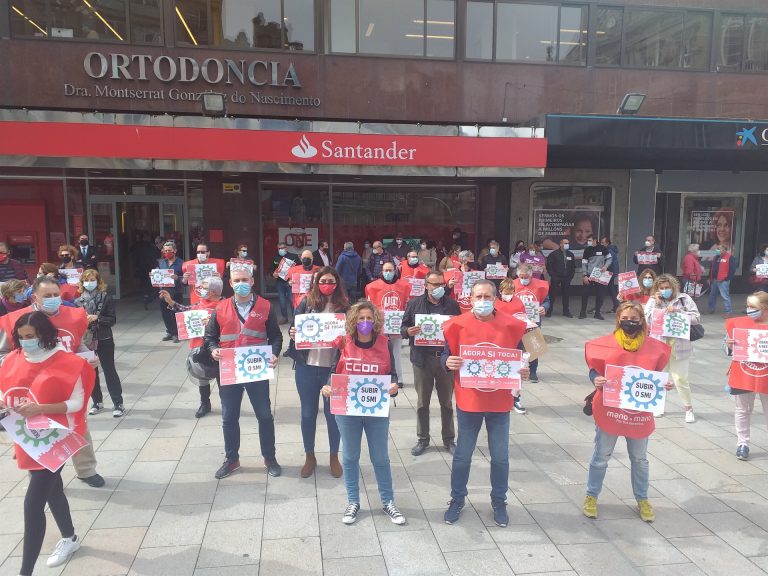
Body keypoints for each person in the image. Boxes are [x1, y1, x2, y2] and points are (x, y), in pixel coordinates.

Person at [0, 312, 96, 575]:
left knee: (33, 504)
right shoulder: (12, 359)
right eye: (21, 337)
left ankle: (25, 572)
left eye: (30, 336)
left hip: (55, 438)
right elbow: (3, 390)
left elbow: (77, 402)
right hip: (25, 437)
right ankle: (70, 538)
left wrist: (41, 407)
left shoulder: (69, 362)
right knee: (53, 490)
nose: (25, 341)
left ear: (44, 333)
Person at [0, 276, 105, 488]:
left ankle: (86, 470)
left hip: (67, 383)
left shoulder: (74, 316)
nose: (53, 299)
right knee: (34, 429)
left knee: (78, 425)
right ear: (35, 297)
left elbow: (78, 345)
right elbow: (4, 352)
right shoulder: (19, 319)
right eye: (47, 296)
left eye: (56, 295)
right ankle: (39, 475)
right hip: (32, 386)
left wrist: (89, 357)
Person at [442, 280, 530, 527]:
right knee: (462, 456)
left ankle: (499, 501)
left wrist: (524, 370)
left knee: (500, 457)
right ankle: (457, 499)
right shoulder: (456, 325)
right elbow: (445, 354)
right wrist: (447, 362)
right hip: (469, 402)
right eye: (478, 296)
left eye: (487, 296)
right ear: (470, 299)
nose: (483, 300)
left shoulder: (512, 325)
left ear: (496, 298)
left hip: (500, 403)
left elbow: (525, 355)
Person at [582, 302, 673, 522]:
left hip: (638, 412)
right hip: (610, 409)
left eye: (634, 318)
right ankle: (591, 496)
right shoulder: (606, 345)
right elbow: (594, 370)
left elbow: (655, 376)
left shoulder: (655, 348)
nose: (629, 322)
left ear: (641, 320)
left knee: (640, 459)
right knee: (601, 456)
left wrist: (664, 385)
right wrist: (596, 379)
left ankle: (642, 499)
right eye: (625, 318)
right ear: (618, 319)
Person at [321, 301, 404, 525]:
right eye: (361, 318)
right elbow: (333, 372)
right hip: (347, 409)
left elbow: (393, 375)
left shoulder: (385, 344)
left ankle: (388, 502)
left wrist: (394, 387)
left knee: (380, 457)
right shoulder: (343, 343)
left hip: (375, 409)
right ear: (353, 321)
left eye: (369, 318)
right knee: (349, 457)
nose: (365, 322)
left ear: (375, 321)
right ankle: (353, 501)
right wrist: (327, 386)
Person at [203, 267, 283, 479]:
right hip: (229, 371)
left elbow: (276, 336)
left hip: (256, 371)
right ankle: (232, 459)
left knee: (264, 415)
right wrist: (213, 350)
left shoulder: (266, 306)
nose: (241, 283)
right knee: (229, 417)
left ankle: (269, 457)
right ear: (230, 283)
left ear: (252, 280)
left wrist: (274, 353)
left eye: (244, 279)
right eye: (237, 280)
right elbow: (209, 337)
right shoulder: (220, 308)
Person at [287, 267, 349, 478]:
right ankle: (309, 455)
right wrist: (293, 332)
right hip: (307, 366)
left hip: (333, 369)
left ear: (337, 282)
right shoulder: (306, 302)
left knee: (333, 415)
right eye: (323, 281)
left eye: (331, 280)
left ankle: (334, 455)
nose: (327, 284)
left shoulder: (345, 306)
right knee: (307, 413)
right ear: (316, 283)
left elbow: (353, 333)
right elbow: (293, 327)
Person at [401, 271, 460, 457]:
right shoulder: (414, 304)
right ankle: (423, 439)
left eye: (441, 284)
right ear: (426, 285)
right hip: (422, 359)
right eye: (434, 284)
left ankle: (449, 439)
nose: (438, 288)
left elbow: (459, 329)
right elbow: (403, 327)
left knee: (447, 402)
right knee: (422, 403)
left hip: (444, 359)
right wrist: (408, 331)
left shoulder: (451, 304)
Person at [160, 276, 224, 418]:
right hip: (200, 347)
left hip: (219, 347)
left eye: (205, 287)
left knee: (222, 377)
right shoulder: (200, 304)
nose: (201, 289)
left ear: (213, 291)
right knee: (202, 375)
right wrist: (170, 302)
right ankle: (204, 403)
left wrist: (215, 322)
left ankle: (226, 404)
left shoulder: (225, 306)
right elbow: (187, 310)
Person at [644, 274, 700, 423]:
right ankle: (658, 406)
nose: (664, 290)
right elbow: (646, 319)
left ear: (673, 287)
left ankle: (688, 409)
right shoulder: (652, 301)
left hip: (680, 346)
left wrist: (679, 312)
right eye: (661, 288)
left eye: (667, 287)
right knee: (660, 377)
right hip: (659, 345)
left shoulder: (684, 299)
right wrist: (656, 304)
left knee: (680, 378)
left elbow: (696, 318)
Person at [724, 291, 768, 461]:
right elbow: (727, 348)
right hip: (744, 373)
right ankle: (742, 444)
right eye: (748, 306)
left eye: (753, 307)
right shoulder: (739, 324)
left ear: (764, 308)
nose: (749, 310)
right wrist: (728, 345)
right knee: (742, 409)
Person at [75, 269, 124, 418]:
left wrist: (97, 318)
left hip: (104, 338)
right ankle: (97, 402)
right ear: (82, 283)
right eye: (86, 280)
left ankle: (118, 403)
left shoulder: (106, 298)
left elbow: (112, 320)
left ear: (98, 281)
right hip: (87, 341)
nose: (89, 283)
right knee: (91, 372)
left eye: (92, 279)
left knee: (109, 370)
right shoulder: (78, 301)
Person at [365, 261, 410, 388]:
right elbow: (369, 306)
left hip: (397, 324)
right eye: (386, 270)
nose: (388, 273)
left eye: (390, 270)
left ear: (395, 270)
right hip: (380, 325)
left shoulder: (404, 286)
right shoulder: (372, 286)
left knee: (396, 352)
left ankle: (398, 379)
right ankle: (379, 375)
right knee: (378, 351)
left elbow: (407, 305)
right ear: (381, 271)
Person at [496, 278, 530, 415]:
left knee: (517, 370)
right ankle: (500, 397)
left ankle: (516, 398)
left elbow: (523, 318)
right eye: (506, 292)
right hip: (499, 341)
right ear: (500, 291)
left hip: (516, 341)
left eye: (511, 292)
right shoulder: (495, 303)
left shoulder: (518, 302)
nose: (509, 294)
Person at [514, 264, 550, 385]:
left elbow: (547, 301)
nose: (524, 279)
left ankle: (533, 371)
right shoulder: (512, 285)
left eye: (526, 277)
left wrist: (544, 307)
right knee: (517, 346)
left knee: (533, 347)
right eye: (521, 277)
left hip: (533, 321)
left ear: (531, 275)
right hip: (516, 321)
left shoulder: (540, 285)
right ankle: (517, 368)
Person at [154, 242, 183, 343]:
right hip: (163, 291)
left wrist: (178, 277)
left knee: (174, 313)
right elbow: (159, 274)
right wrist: (153, 276)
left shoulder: (181, 263)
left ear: (174, 251)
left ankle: (176, 333)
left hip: (176, 292)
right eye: (165, 251)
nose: (167, 253)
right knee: (165, 313)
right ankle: (170, 332)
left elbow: (186, 280)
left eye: (169, 251)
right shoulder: (162, 262)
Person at [580, 234, 612, 320]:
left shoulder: (603, 248)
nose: (588, 242)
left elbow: (609, 258)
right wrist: (584, 275)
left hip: (601, 275)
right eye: (588, 241)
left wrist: (606, 266)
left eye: (590, 240)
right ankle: (582, 312)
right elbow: (584, 263)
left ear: (595, 240)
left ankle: (597, 312)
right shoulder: (587, 250)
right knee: (585, 293)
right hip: (589, 275)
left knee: (600, 294)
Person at [269, 241, 299, 323]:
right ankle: (284, 317)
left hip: (291, 282)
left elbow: (299, 268)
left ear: (286, 248)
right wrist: (273, 274)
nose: (281, 250)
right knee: (282, 300)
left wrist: (295, 277)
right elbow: (270, 270)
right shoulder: (274, 258)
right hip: (280, 282)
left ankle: (294, 318)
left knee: (292, 300)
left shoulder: (294, 256)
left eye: (282, 248)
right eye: (279, 248)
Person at [545, 238, 576, 317]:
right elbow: (549, 265)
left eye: (568, 243)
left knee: (566, 294)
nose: (567, 245)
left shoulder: (570, 254)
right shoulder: (554, 254)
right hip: (556, 277)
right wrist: (552, 275)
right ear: (561, 244)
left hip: (567, 278)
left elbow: (573, 266)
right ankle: (549, 310)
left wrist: (571, 276)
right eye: (565, 243)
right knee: (553, 294)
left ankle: (566, 311)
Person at [708, 245, 737, 315]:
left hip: (723, 280)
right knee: (712, 295)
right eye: (717, 249)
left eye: (719, 249)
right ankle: (711, 309)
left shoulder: (730, 257)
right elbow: (711, 268)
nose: (717, 250)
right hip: (714, 279)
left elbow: (732, 270)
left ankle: (728, 311)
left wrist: (726, 279)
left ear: (724, 249)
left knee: (725, 296)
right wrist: (709, 278)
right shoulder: (715, 257)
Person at [601, 236, 620, 313]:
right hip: (610, 272)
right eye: (601, 242)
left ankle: (598, 307)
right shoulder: (610, 250)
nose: (601, 244)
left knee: (603, 289)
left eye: (603, 243)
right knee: (611, 289)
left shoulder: (609, 251)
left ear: (607, 243)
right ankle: (616, 305)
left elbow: (609, 262)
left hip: (608, 272)